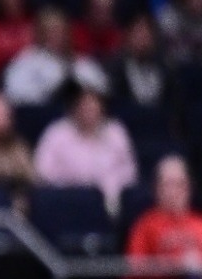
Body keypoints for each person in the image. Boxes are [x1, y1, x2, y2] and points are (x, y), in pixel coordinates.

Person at [32, 83, 137, 211]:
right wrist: (72, 184)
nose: (89, 112)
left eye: (94, 107)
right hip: (67, 198)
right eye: (85, 107)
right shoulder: (56, 133)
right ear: (75, 108)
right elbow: (42, 171)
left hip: (108, 200)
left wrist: (110, 186)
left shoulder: (115, 132)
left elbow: (129, 170)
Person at [4, 7, 106, 107]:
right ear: (41, 33)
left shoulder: (81, 62)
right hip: (40, 115)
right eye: (51, 31)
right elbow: (13, 93)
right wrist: (49, 89)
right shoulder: (26, 60)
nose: (57, 36)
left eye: (60, 31)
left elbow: (103, 89)